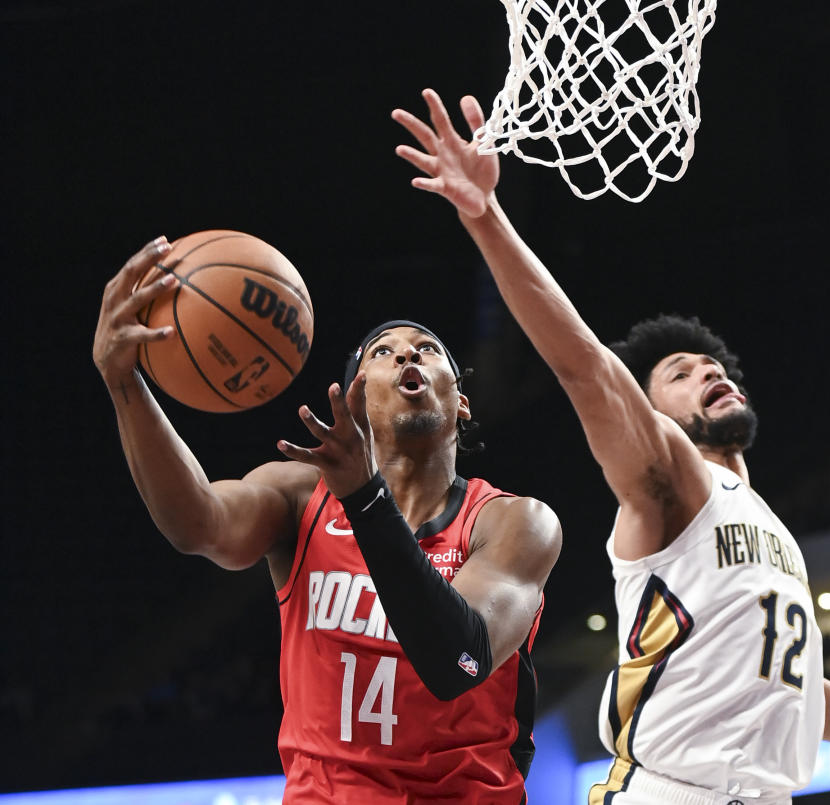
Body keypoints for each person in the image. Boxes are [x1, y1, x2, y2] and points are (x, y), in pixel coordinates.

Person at [391, 88, 830, 804]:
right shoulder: (671, 479)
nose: (709, 371)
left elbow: (790, 683)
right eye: (679, 374)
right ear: (650, 417)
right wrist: (487, 216)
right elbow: (585, 366)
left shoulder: (765, 523)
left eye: (711, 365)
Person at [92, 241, 562, 804]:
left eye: (427, 349)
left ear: (461, 400)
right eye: (383, 352)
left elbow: (458, 662)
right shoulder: (298, 498)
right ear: (358, 401)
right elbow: (196, 523)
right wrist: (126, 385)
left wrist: (366, 499)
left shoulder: (515, 521)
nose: (407, 357)